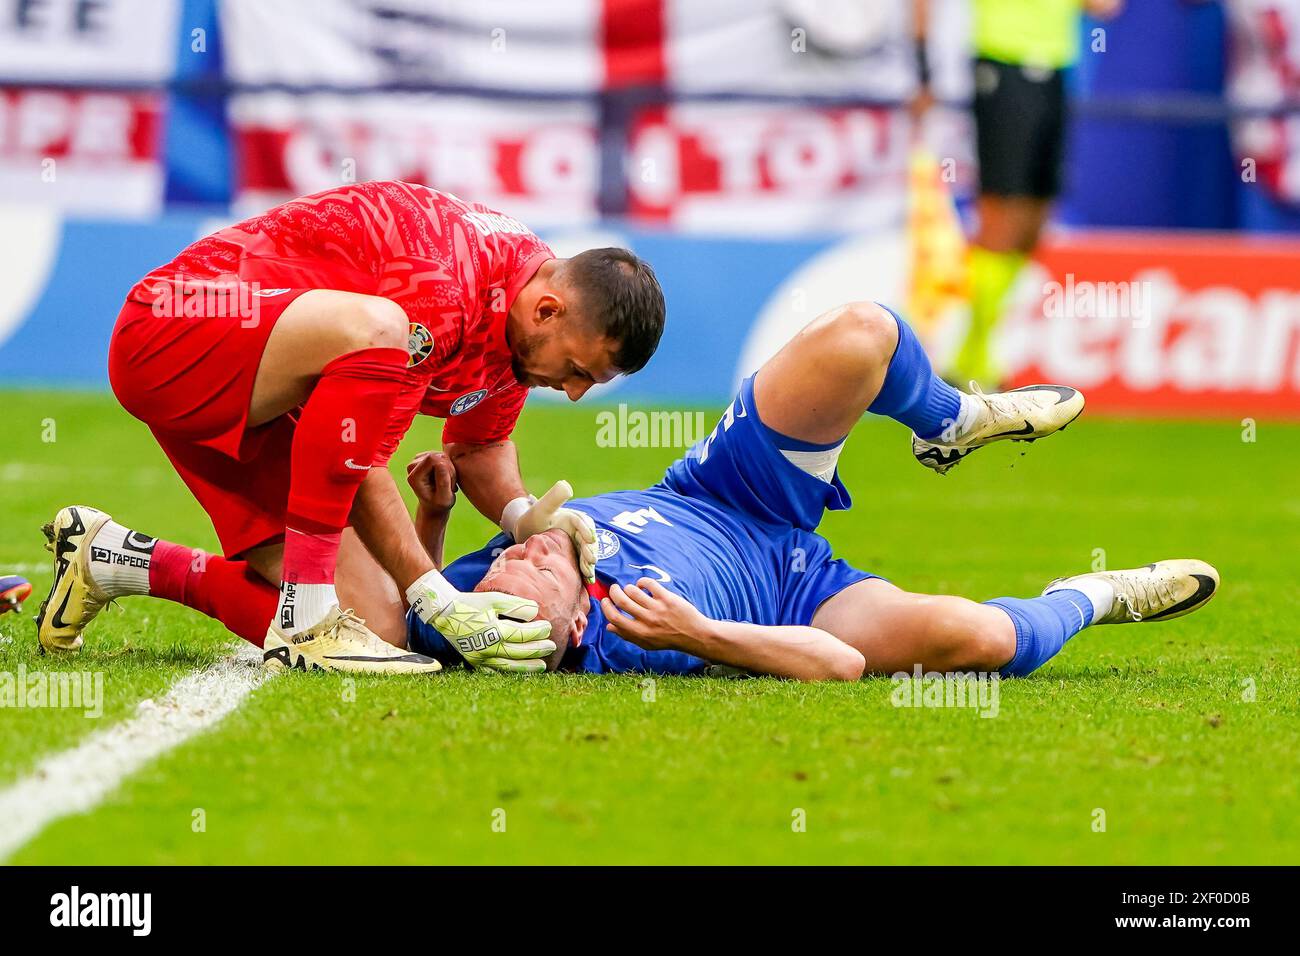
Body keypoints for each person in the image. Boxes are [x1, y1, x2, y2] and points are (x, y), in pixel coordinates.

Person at [35, 181, 665, 674]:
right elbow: (355, 459)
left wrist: (522, 515)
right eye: (578, 370)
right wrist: (435, 595)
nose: (577, 393)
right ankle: (304, 613)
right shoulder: (444, 290)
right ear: (548, 310)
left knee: (379, 625)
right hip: (170, 334)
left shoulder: (524, 325)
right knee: (380, 330)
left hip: (264, 403)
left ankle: (111, 557)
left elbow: (478, 443)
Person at [402, 302, 1217, 679]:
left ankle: (950, 418)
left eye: (505, 562)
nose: (523, 553)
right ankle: (1094, 596)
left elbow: (406, 619)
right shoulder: (631, 633)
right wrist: (702, 635)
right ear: (580, 622)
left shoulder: (479, 607)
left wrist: (435, 518)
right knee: (979, 641)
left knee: (861, 335)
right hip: (795, 600)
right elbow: (838, 662)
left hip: (722, 492)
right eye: (536, 572)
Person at [915, 0, 1125, 387]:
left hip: (1056, 68)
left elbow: (1103, 7)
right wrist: (922, 66)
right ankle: (969, 361)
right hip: (1001, 64)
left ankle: (973, 353)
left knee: (1035, 219)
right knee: (1000, 213)